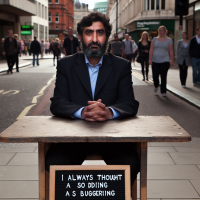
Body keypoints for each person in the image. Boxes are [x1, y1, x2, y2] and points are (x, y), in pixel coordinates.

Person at [46, 12, 140, 193]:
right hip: (72, 139)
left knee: (131, 163)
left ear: (107, 37)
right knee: (53, 162)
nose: (94, 39)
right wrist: (82, 112)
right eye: (89, 33)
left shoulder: (121, 66)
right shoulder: (66, 65)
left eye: (100, 33)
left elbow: (130, 103)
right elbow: (57, 102)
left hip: (112, 139)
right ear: (81, 36)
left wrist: (109, 112)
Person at [149, 26, 174, 97]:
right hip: (155, 61)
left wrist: (172, 61)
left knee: (163, 76)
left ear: (165, 31)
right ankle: (156, 85)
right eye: (160, 30)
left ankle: (163, 91)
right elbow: (151, 50)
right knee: (155, 76)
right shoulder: (154, 39)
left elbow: (171, 51)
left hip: (165, 61)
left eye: (162, 30)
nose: (161, 32)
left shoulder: (169, 40)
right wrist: (150, 59)